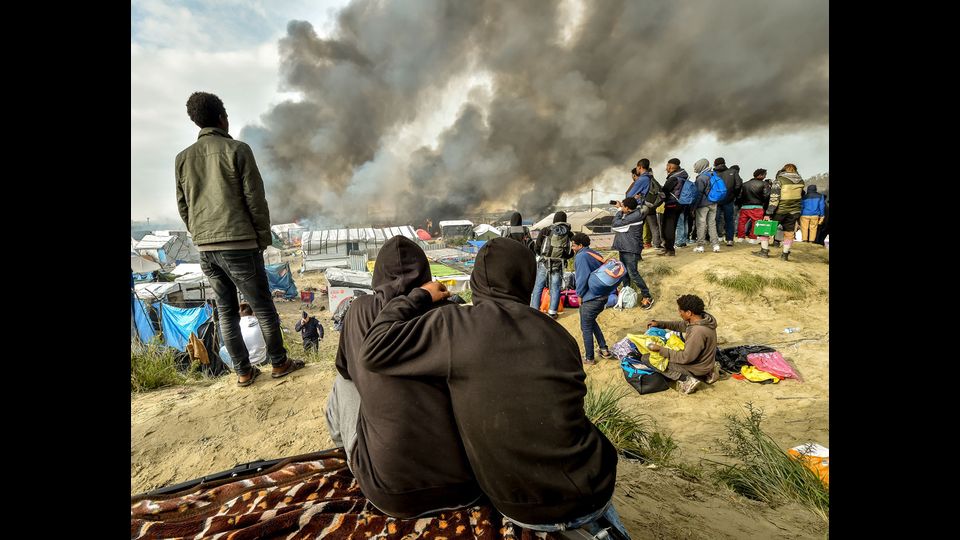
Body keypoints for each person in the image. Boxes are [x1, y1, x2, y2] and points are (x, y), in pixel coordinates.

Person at [359, 238, 629, 539]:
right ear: (526, 280)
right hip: (596, 483)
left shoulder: (456, 325)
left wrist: (420, 295)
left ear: (476, 281)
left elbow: (375, 349)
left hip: (522, 505)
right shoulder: (558, 333)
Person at [327, 235, 482, 518]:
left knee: (344, 382)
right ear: (425, 275)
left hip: (392, 495)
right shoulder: (450, 314)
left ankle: (351, 455)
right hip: (465, 485)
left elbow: (345, 370)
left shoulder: (359, 311)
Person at [175, 91, 302, 387]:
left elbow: (183, 206)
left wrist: (200, 235)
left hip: (206, 248)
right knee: (263, 307)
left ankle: (243, 372)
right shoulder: (238, 150)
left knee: (226, 312)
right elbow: (255, 199)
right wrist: (262, 239)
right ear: (222, 118)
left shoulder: (182, 159)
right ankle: (279, 363)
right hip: (239, 243)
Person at [646, 294, 720, 395]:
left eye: (681, 311)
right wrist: (660, 324)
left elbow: (685, 358)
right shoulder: (702, 320)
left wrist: (660, 349)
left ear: (689, 313)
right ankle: (710, 372)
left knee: (648, 359)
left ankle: (687, 380)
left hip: (697, 367)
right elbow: (680, 325)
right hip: (705, 363)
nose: (679, 314)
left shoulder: (697, 332)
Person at [572, 232, 614, 364]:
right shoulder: (594, 253)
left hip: (591, 298)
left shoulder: (581, 256)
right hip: (603, 296)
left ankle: (589, 358)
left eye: (574, 245)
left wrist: (579, 294)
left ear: (580, 245)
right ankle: (604, 349)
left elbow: (582, 278)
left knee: (586, 327)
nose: (572, 248)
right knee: (591, 321)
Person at [753, 164, 805, 260]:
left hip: (779, 210)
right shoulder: (801, 181)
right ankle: (785, 255)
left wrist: (768, 213)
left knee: (766, 228)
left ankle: (764, 251)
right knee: (789, 233)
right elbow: (801, 195)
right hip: (794, 211)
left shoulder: (779, 180)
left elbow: (774, 198)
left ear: (784, 170)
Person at [611, 198, 655, 309]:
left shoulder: (634, 216)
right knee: (625, 273)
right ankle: (627, 293)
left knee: (633, 274)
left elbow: (615, 224)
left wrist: (619, 210)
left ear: (627, 208)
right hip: (625, 247)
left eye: (623, 206)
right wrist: (622, 210)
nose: (621, 207)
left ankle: (647, 296)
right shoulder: (631, 214)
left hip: (630, 249)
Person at [531, 211, 574, 319]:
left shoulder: (546, 230)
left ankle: (535, 311)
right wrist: (563, 257)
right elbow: (570, 252)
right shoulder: (569, 234)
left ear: (554, 219)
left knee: (538, 286)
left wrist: (542, 255)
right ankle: (552, 312)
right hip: (558, 264)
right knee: (555, 288)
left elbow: (537, 247)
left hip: (544, 262)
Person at [626, 159, 662, 252]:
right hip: (651, 205)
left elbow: (629, 195)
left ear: (640, 167)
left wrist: (636, 197)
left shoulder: (642, 179)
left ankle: (636, 248)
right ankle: (657, 245)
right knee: (654, 226)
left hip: (642, 206)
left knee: (637, 227)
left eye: (637, 167)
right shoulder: (651, 177)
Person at [218, 303, 267, 369]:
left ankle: (236, 368)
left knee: (222, 349)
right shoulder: (261, 322)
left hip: (245, 364)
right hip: (263, 360)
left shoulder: (236, 325)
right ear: (253, 312)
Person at [660, 158, 689, 256]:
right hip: (680, 204)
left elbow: (664, 191)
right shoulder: (682, 175)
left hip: (672, 204)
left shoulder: (673, 178)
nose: (666, 168)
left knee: (668, 227)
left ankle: (670, 250)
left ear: (670, 166)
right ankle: (668, 248)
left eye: (667, 166)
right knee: (672, 226)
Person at [712, 158, 743, 246]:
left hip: (716, 200)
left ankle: (717, 238)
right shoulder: (733, 172)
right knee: (729, 220)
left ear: (715, 164)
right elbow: (738, 185)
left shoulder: (712, 173)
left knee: (715, 220)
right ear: (724, 163)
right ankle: (729, 240)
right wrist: (733, 195)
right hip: (729, 200)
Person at [692, 158, 721, 253]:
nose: (695, 168)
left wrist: (694, 207)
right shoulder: (713, 174)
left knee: (701, 225)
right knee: (712, 224)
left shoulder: (701, 178)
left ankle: (700, 246)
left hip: (703, 205)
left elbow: (698, 194)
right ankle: (716, 245)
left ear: (701, 166)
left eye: (696, 166)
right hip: (714, 203)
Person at [736, 169, 771, 243]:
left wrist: (740, 205)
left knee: (742, 223)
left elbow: (739, 196)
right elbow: (766, 196)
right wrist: (765, 207)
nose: (765, 176)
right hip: (757, 207)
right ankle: (752, 238)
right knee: (756, 223)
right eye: (765, 175)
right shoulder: (764, 184)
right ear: (760, 175)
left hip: (744, 207)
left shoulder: (745, 184)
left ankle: (740, 238)